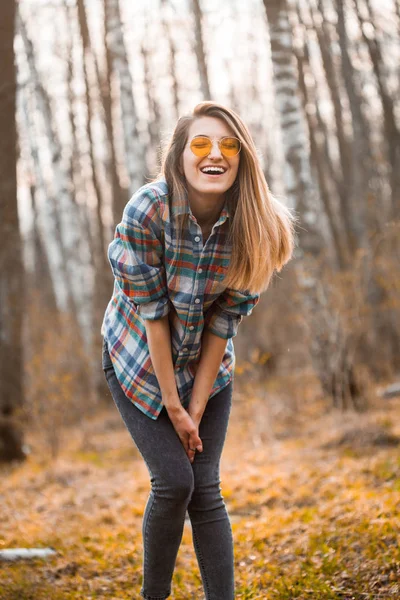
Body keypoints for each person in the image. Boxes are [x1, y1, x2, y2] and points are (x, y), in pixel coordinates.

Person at [101, 101, 295, 600]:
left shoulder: (256, 226)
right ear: (180, 157)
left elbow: (223, 325)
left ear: (243, 158)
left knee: (205, 489)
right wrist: (173, 405)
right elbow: (153, 316)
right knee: (172, 482)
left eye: (228, 144)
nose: (215, 154)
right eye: (201, 144)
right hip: (138, 362)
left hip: (207, 369)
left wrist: (198, 404)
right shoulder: (149, 209)